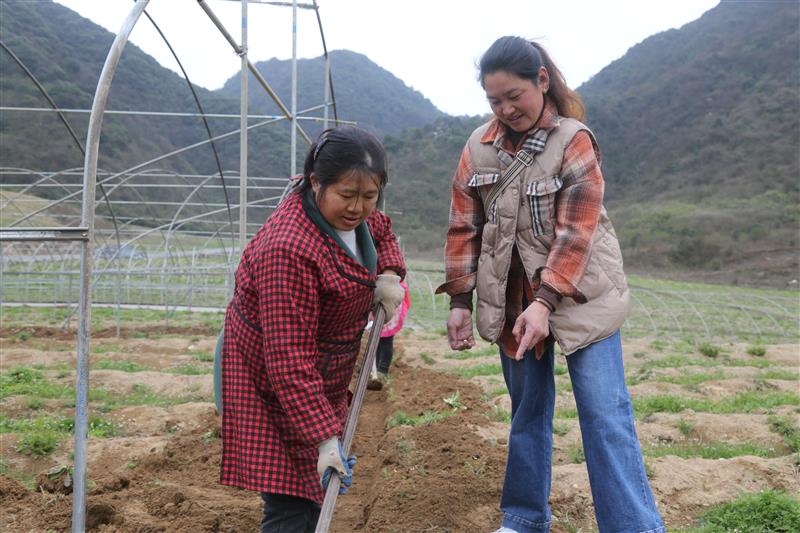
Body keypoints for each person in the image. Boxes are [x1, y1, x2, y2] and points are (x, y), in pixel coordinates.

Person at [436, 36, 665, 533]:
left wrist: (545, 302)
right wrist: (460, 299)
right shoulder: (478, 147)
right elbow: (463, 226)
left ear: (541, 81)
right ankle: (524, 519)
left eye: (514, 95)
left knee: (604, 415)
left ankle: (632, 526)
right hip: (511, 298)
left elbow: (575, 233)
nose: (505, 108)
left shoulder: (574, 139)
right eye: (495, 100)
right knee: (527, 412)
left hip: (582, 295)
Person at [220, 126, 406, 532]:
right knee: (293, 498)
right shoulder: (288, 249)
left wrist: (388, 272)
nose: (358, 208)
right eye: (347, 195)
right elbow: (288, 358)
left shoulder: (353, 218)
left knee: (312, 490)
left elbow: (382, 230)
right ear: (316, 182)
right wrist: (324, 440)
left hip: (320, 371)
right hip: (271, 381)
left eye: (369, 196)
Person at [367, 279, 410, 390]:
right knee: (376, 341)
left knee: (386, 342)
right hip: (377, 308)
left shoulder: (397, 281)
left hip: (390, 310)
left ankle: (383, 369)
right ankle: (374, 369)